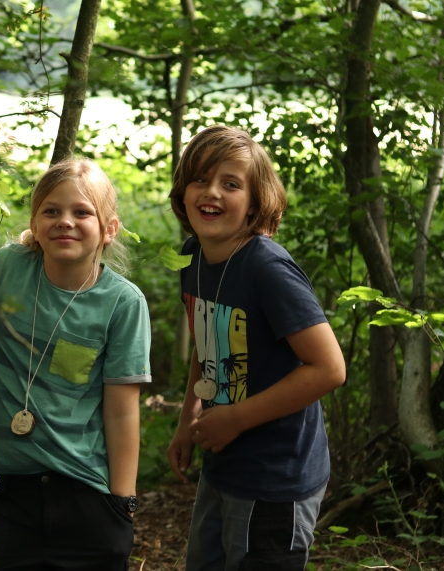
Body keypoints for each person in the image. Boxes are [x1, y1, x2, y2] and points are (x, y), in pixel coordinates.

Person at [0, 158, 151, 571]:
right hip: (17, 489)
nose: (65, 222)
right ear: (35, 224)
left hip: (87, 491)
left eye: (82, 212)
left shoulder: (122, 303)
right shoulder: (10, 268)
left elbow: (122, 410)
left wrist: (121, 506)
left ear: (108, 230)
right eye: (51, 211)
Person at [165, 126, 346, 571]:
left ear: (255, 202)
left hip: (276, 479)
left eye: (231, 183)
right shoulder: (193, 257)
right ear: (183, 192)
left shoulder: (268, 270)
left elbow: (328, 368)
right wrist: (189, 416)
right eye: (200, 179)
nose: (212, 193)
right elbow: (208, 342)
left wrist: (235, 419)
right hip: (224, 466)